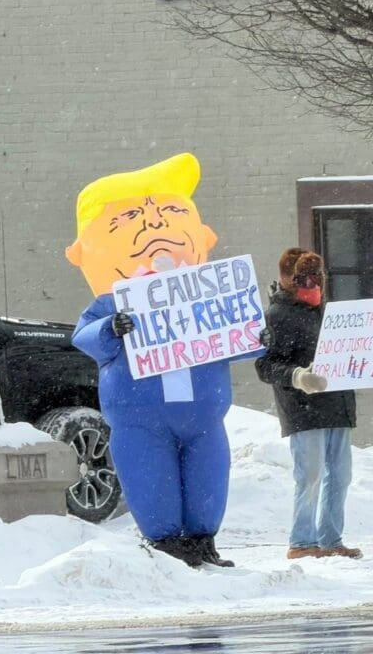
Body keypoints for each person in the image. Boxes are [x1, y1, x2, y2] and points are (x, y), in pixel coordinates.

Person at [66, 152, 253, 568]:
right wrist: (111, 329)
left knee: (208, 476)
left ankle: (203, 541)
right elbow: (85, 336)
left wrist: (258, 335)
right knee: (151, 477)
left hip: (204, 416)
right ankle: (166, 543)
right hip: (139, 417)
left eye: (168, 212)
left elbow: (238, 338)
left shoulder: (207, 297)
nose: (154, 226)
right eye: (130, 219)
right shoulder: (112, 304)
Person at [255, 248, 362, 560]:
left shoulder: (332, 313)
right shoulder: (276, 316)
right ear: (289, 280)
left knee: (340, 476)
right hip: (303, 408)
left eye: (318, 277)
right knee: (310, 475)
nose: (313, 284)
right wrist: (298, 376)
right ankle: (302, 540)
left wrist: (371, 364)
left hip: (338, 403)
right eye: (305, 278)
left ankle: (331, 539)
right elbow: (265, 366)